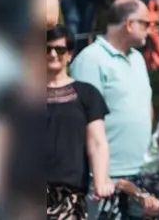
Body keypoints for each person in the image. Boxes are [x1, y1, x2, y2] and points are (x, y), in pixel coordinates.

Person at [70, 0, 157, 220]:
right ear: (129, 24)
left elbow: (145, 105)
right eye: (146, 23)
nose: (150, 30)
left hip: (141, 174)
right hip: (103, 180)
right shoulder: (91, 60)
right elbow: (83, 120)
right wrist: (100, 174)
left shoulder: (137, 58)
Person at [45, 26, 113, 220]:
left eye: (59, 49)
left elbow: (97, 142)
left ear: (69, 54)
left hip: (70, 195)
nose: (52, 54)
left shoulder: (86, 94)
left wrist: (101, 179)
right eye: (47, 49)